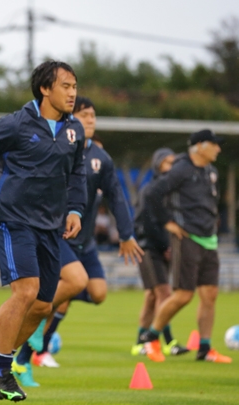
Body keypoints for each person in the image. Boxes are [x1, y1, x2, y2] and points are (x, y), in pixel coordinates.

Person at [0, 60, 87, 401]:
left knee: (42, 306)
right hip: (12, 221)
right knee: (25, 292)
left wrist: (76, 208)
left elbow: (77, 171)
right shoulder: (16, 124)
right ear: (45, 89)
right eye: (66, 86)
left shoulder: (74, 130)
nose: (72, 92)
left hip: (51, 227)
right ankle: (2, 374)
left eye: (74, 86)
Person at [12, 96, 143, 384]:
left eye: (94, 116)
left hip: (86, 243)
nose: (91, 120)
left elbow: (116, 196)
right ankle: (32, 331)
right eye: (85, 115)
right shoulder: (58, 148)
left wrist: (126, 234)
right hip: (57, 235)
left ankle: (37, 325)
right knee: (74, 282)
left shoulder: (101, 157)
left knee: (97, 293)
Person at [140, 130, 231, 363]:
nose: (218, 149)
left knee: (210, 294)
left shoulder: (211, 171)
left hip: (209, 239)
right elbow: (151, 194)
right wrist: (168, 223)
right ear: (200, 146)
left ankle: (205, 348)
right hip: (187, 238)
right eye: (214, 144)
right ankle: (151, 339)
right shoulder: (180, 169)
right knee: (183, 295)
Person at [132, 148, 189, 357]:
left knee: (151, 296)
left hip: (164, 248)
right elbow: (147, 223)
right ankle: (167, 341)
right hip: (149, 248)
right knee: (164, 294)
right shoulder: (150, 191)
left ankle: (140, 341)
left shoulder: (172, 193)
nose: (171, 168)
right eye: (167, 163)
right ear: (157, 165)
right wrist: (164, 245)